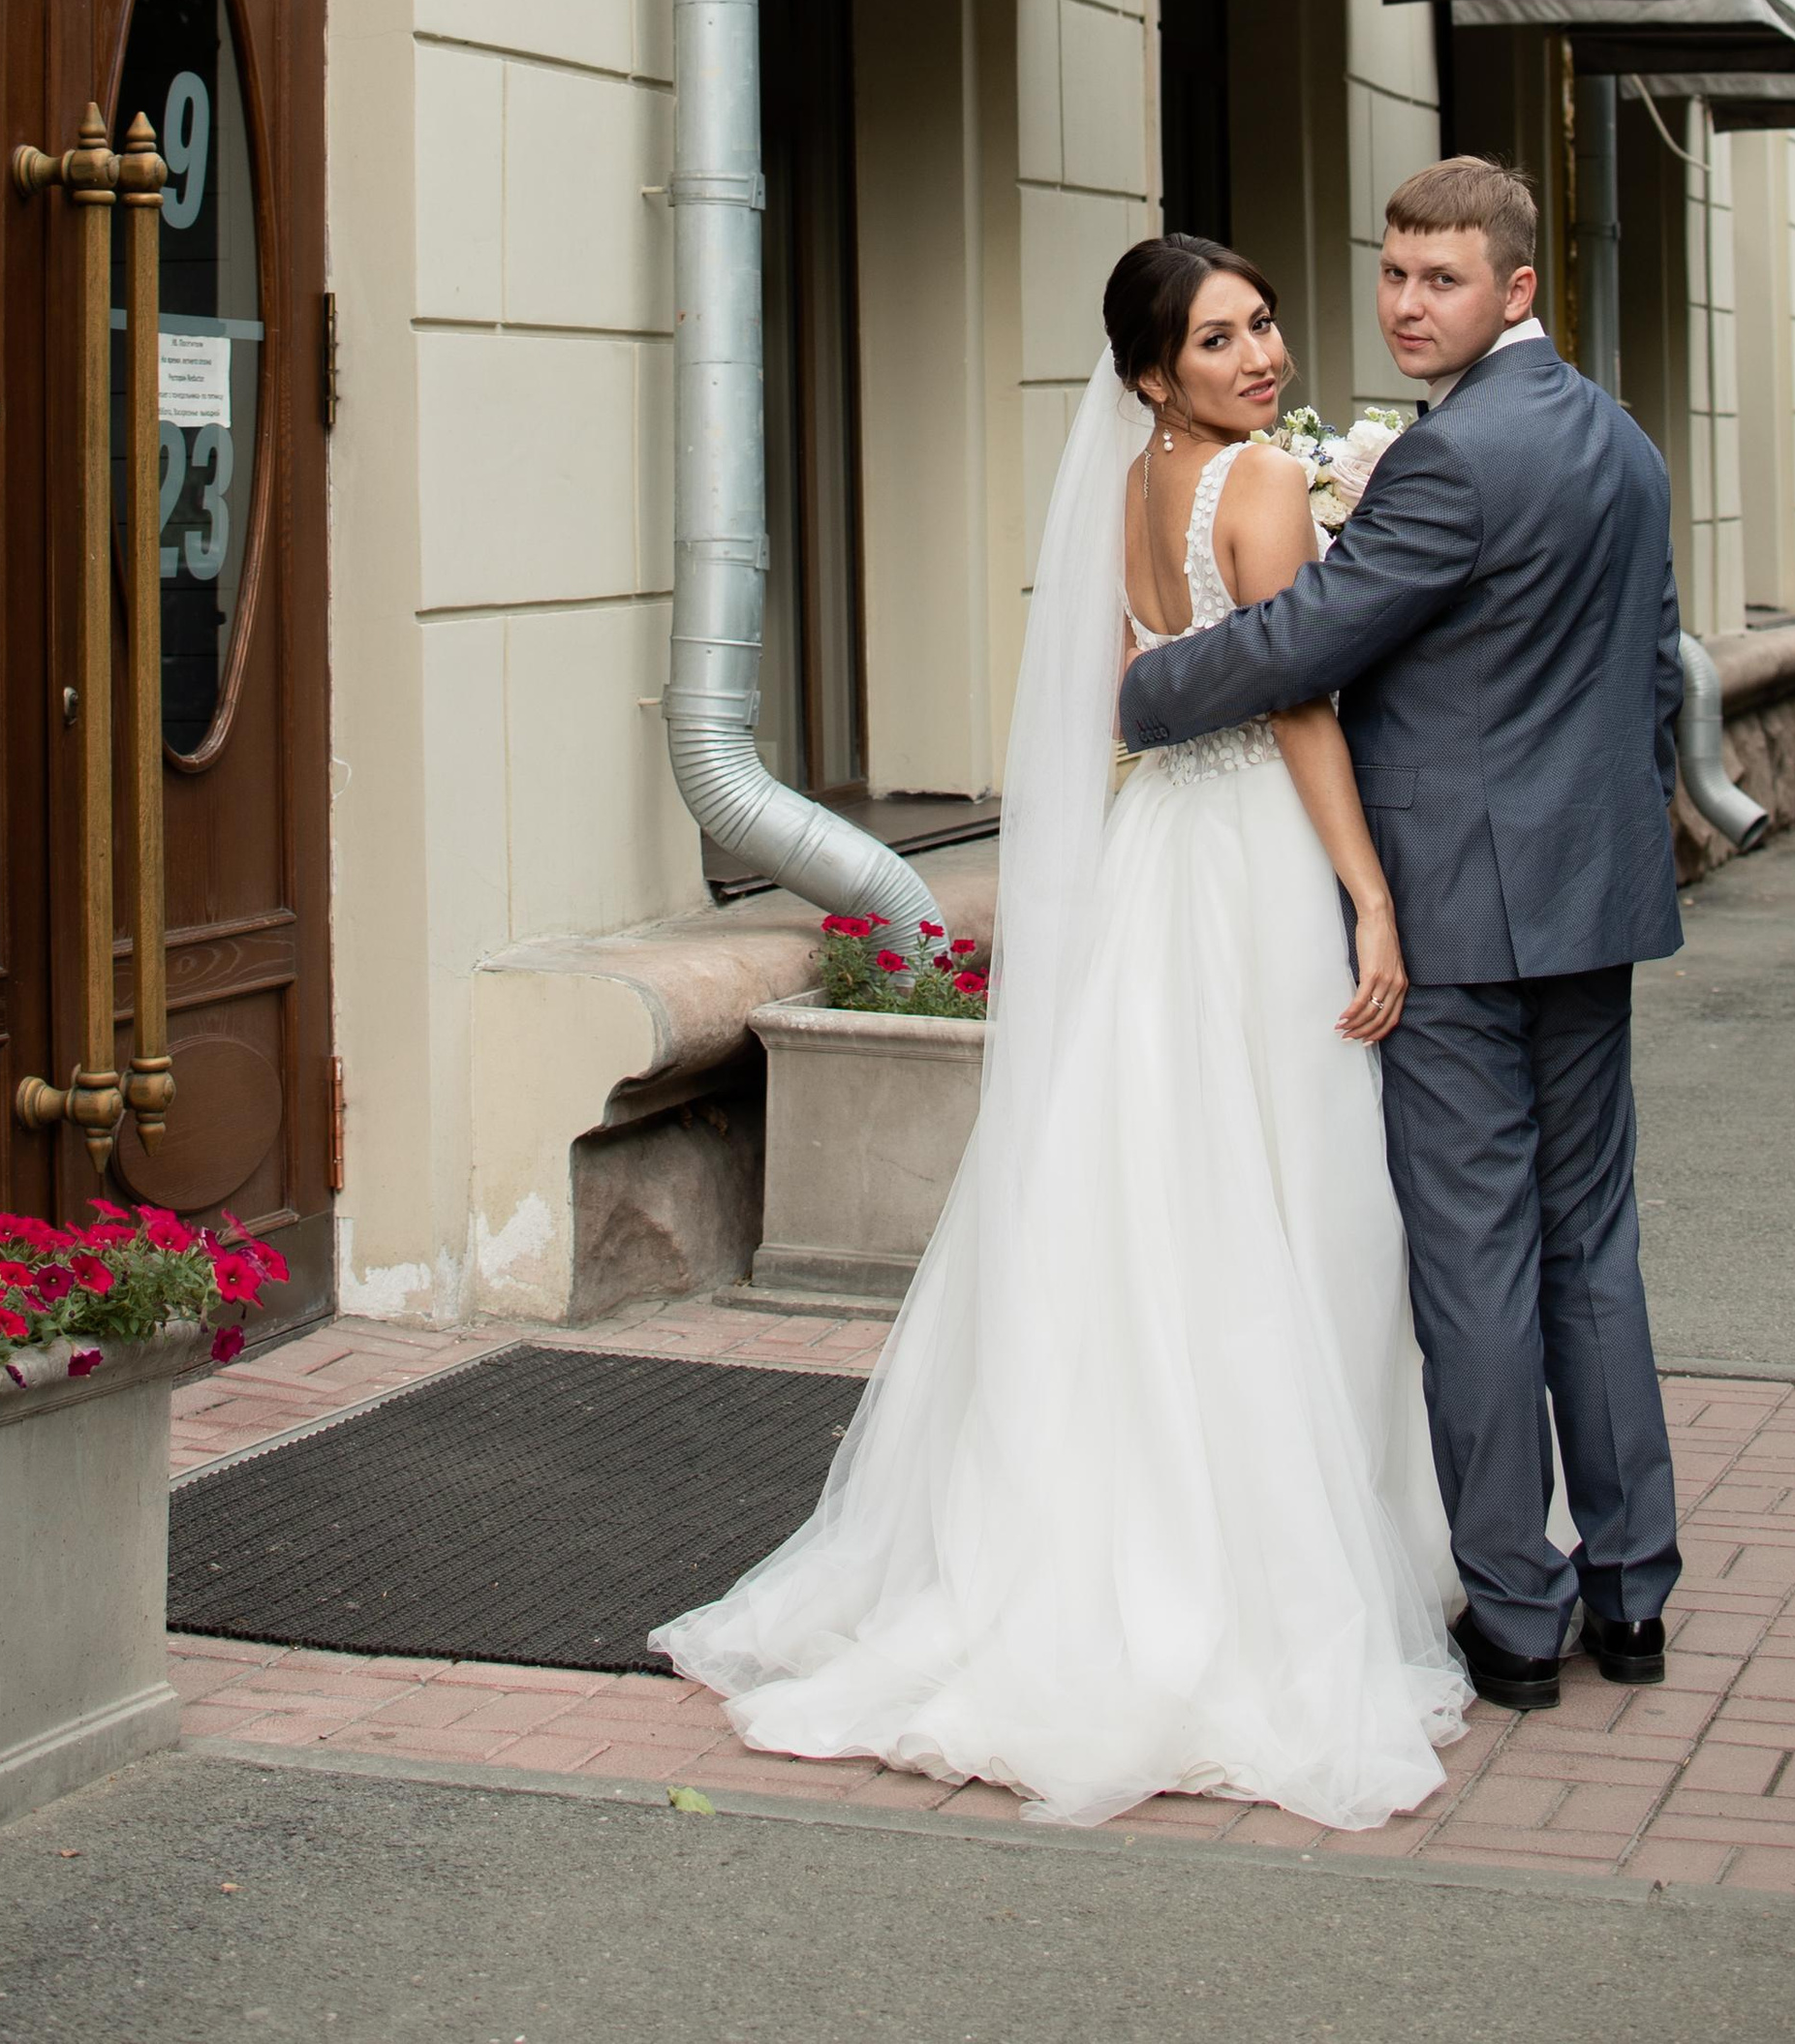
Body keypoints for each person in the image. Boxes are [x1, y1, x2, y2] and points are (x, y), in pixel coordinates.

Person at [653, 234, 1469, 1831]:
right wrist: (1369, 892)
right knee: (1286, 1198)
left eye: (1264, 323)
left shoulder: (1120, 491)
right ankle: (1282, 1563)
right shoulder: (1260, 487)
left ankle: (1093, 1538)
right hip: (1248, 872)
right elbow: (1298, 701)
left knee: (1138, 1187)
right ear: (1154, 371)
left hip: (1161, 853)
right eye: (1220, 339)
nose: (1261, 355)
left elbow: (1123, 692)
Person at [1119, 157, 1685, 1713]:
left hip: (1454, 914)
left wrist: (1141, 690)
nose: (1404, 304)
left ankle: (1516, 1610)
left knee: (1478, 1261)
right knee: (1596, 1248)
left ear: (1516, 288)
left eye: (1441, 280)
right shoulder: (1624, 445)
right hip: (1594, 903)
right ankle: (1631, 1592)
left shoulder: (1453, 463)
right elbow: (1655, 677)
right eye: (1391, 273)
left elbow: (1308, 638)